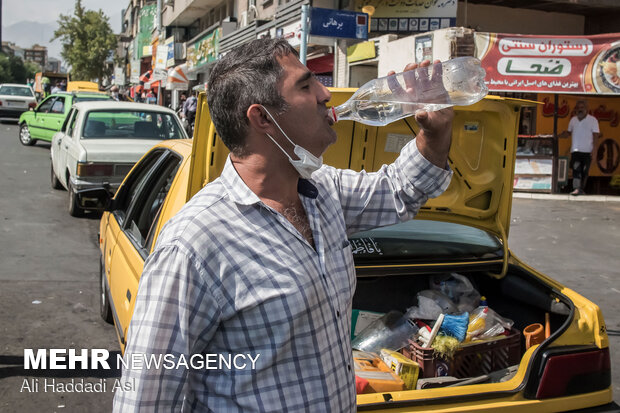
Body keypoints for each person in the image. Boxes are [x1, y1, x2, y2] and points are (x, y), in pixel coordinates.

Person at [113, 38, 453, 412]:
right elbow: (145, 398)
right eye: (306, 85)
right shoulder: (194, 244)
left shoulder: (323, 192)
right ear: (262, 118)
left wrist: (433, 134)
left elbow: (399, 191)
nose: (326, 94)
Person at [559, 100, 600, 195]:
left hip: (587, 151)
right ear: (576, 109)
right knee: (576, 169)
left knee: (585, 171)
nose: (580, 110)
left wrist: (595, 151)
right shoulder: (573, 120)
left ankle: (581, 189)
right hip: (575, 150)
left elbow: (596, 136)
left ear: (586, 109)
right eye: (578, 108)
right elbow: (568, 133)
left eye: (582, 108)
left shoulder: (593, 120)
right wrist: (559, 135)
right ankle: (577, 188)